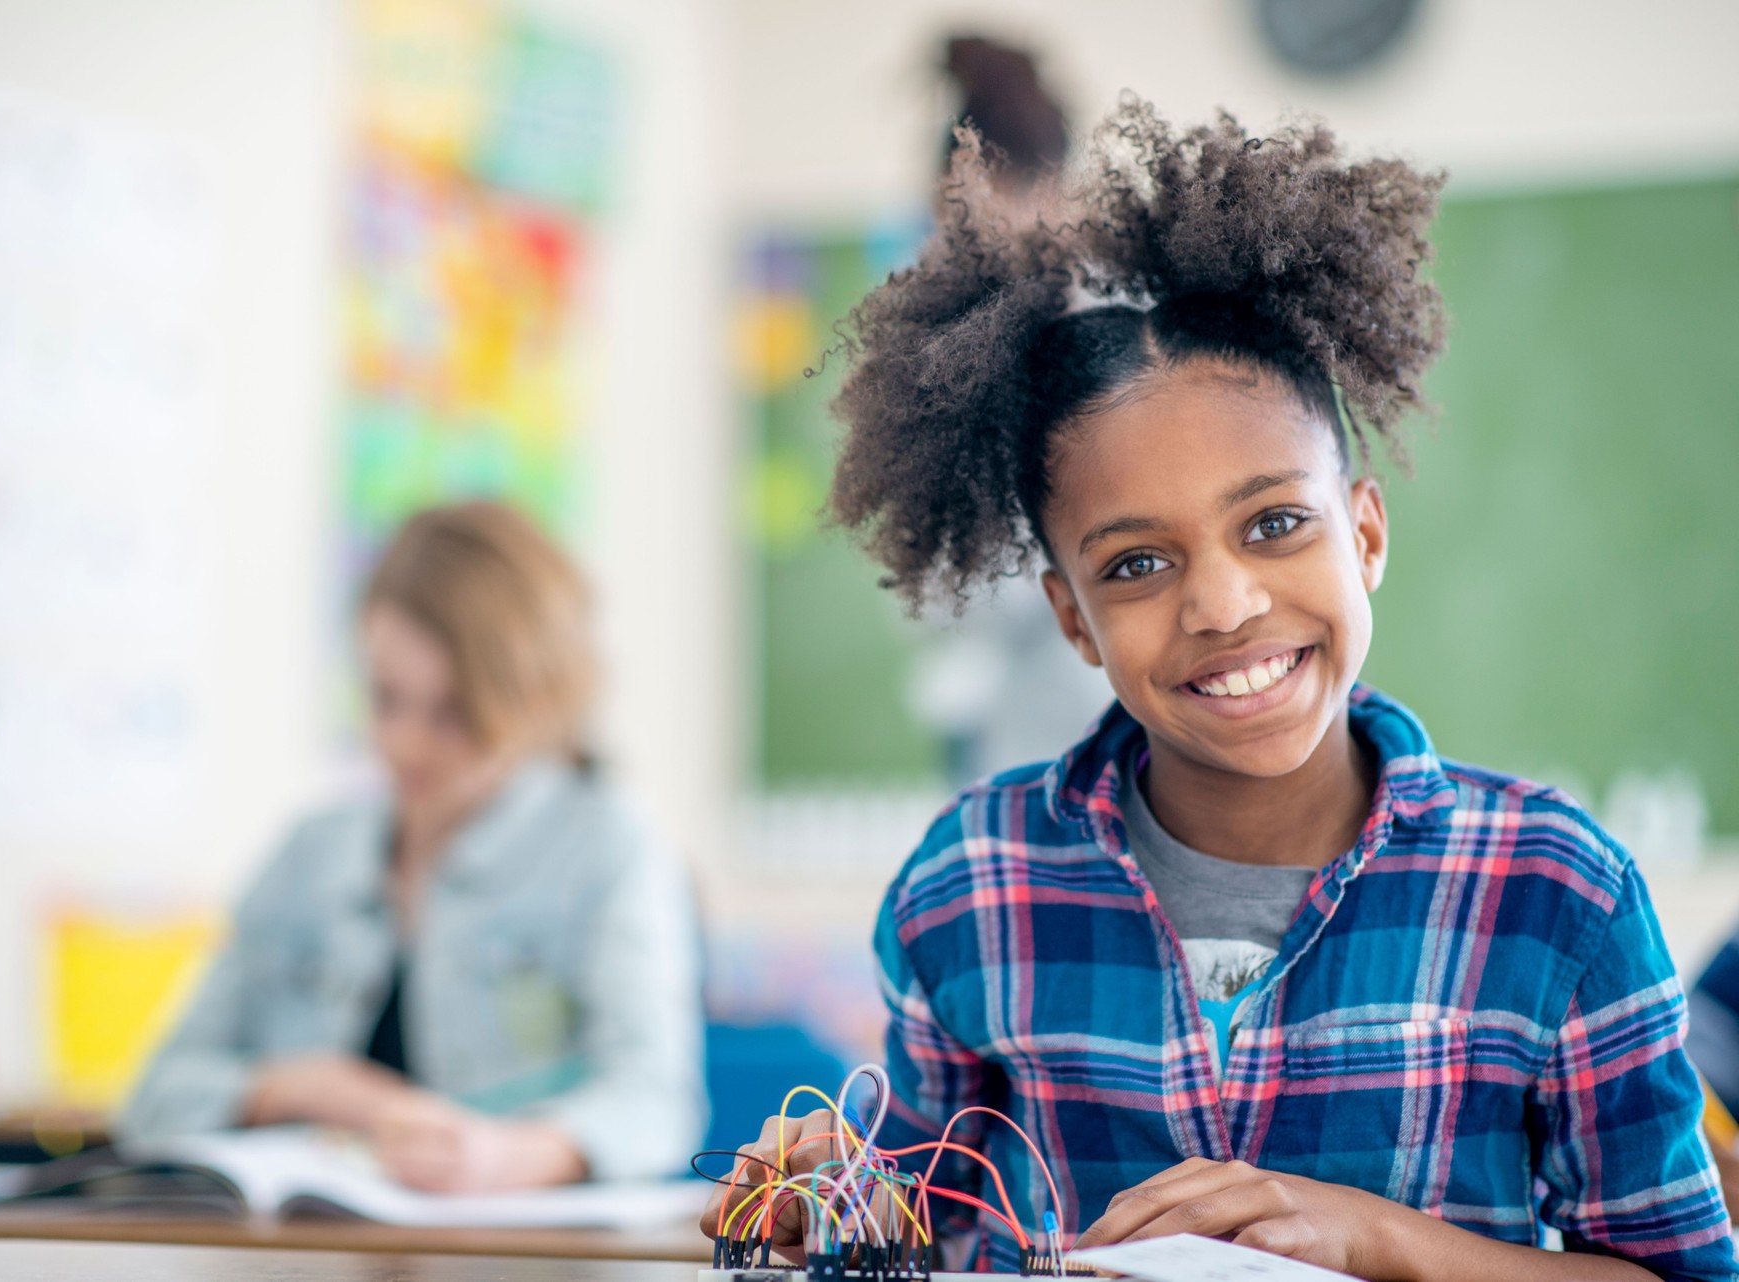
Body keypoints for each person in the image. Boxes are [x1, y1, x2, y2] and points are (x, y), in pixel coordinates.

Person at [703, 101, 1735, 1281]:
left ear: (1366, 533)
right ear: (1069, 620)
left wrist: (1384, 1239)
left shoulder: (1556, 893)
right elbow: (923, 1211)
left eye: (1276, 524)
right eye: (1136, 564)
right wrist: (830, 1197)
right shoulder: (969, 885)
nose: (1223, 604)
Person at [123, 501, 704, 1191]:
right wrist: (314, 1089)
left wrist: (511, 1156)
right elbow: (153, 1100)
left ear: (531, 697)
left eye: (451, 712)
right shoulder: (308, 855)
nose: (405, 744)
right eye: (385, 698)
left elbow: (656, 1103)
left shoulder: (609, 846)